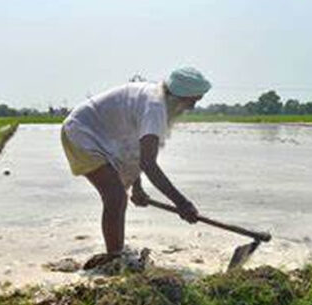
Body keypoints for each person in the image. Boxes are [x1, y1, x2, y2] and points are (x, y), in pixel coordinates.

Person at [60, 67, 211, 269]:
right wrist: (182, 203)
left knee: (118, 195)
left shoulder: (155, 99)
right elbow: (148, 163)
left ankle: (116, 256)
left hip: (104, 139)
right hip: (82, 133)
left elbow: (135, 150)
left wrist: (137, 187)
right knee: (115, 197)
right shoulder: (155, 107)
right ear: (178, 96)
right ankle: (114, 260)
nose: (191, 107)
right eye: (191, 101)